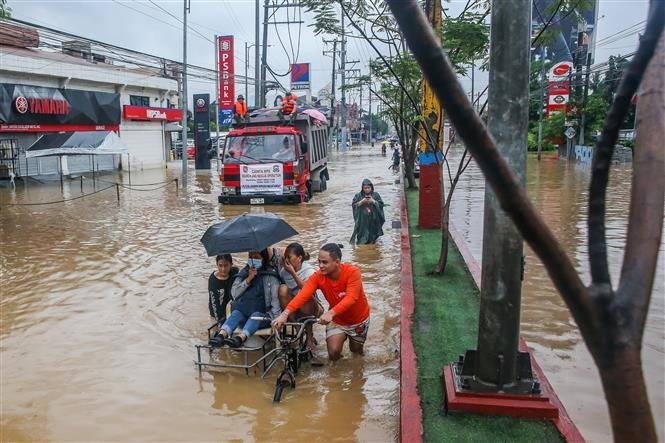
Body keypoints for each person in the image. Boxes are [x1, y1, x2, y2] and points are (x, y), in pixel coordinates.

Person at [272, 243, 370, 361]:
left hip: (358, 319)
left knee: (356, 352)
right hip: (337, 320)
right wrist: (285, 314)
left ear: (337, 262)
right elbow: (303, 295)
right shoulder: (318, 276)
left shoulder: (353, 272)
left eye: (324, 262)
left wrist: (330, 313)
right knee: (333, 353)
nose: (320, 266)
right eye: (319, 262)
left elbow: (351, 298)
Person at [211, 248, 282, 348]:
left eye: (256, 257)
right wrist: (248, 279)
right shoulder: (243, 273)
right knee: (236, 313)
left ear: (263, 258)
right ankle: (220, 336)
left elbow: (275, 303)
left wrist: (276, 320)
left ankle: (240, 338)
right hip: (244, 313)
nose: (253, 260)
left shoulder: (270, 276)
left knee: (255, 316)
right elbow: (234, 294)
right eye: (251, 257)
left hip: (263, 316)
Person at [278, 242, 325, 351]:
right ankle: (298, 328)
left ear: (299, 258)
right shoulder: (283, 272)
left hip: (311, 306)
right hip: (293, 308)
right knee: (282, 289)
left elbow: (306, 290)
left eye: (289, 257)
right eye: (286, 258)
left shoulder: (309, 271)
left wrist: (293, 273)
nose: (287, 261)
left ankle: (309, 336)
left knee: (303, 295)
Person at [350, 179, 385, 244]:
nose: (367, 189)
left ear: (371, 187)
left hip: (373, 220)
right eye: (365, 188)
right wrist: (361, 202)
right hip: (362, 221)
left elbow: (381, 205)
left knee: (373, 238)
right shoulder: (358, 195)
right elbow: (354, 205)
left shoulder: (376, 195)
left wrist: (374, 202)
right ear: (362, 188)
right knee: (362, 238)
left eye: (368, 188)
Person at [208, 254, 239, 327]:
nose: (223, 269)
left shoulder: (234, 272)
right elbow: (214, 303)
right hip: (217, 313)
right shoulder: (213, 281)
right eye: (220, 265)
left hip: (231, 309)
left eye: (226, 265)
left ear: (231, 264)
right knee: (217, 333)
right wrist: (219, 322)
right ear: (217, 265)